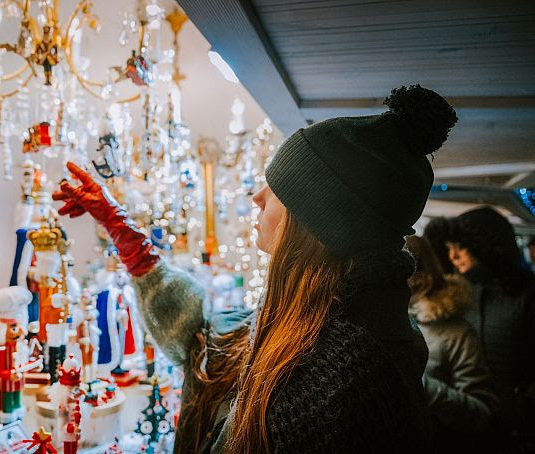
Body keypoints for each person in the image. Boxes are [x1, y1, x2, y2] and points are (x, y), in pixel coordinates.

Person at [54, 85, 458, 453]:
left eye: (278, 188)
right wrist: (126, 236)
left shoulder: (344, 371)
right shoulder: (314, 317)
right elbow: (205, 345)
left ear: (318, 219)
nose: (256, 196)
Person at [446, 207, 535, 452]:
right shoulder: (460, 295)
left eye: (460, 247)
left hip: (517, 426)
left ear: (484, 245)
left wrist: (523, 408)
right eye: (449, 248)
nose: (453, 256)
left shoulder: (528, 294)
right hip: (468, 418)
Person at [406, 235, 499, 452]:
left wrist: (426, 387)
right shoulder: (384, 321)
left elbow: (481, 414)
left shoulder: (457, 333)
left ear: (416, 275)